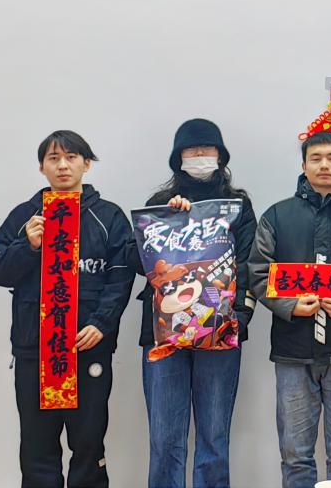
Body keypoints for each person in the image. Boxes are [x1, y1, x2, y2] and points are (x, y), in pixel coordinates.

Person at [0, 130, 134, 487]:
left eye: (71, 157)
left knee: (88, 446)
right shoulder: (25, 216)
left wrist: (102, 323)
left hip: (87, 348)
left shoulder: (109, 217)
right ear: (42, 167)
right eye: (53, 159)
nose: (63, 165)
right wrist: (28, 245)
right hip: (35, 351)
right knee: (37, 449)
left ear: (87, 164)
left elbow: (121, 276)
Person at [249, 131, 331, 488]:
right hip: (293, 351)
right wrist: (291, 304)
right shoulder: (278, 215)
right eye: (316, 158)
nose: (324, 165)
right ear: (303, 165)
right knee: (295, 454)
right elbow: (258, 271)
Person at [133, 118, 256, 488]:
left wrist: (239, 318)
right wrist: (168, 221)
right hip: (164, 335)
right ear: (178, 157)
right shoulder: (158, 205)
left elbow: (249, 265)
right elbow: (139, 263)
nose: (200, 154)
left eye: (207, 148)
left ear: (220, 155)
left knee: (214, 439)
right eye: (192, 149)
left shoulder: (238, 206)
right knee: (165, 439)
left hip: (220, 331)